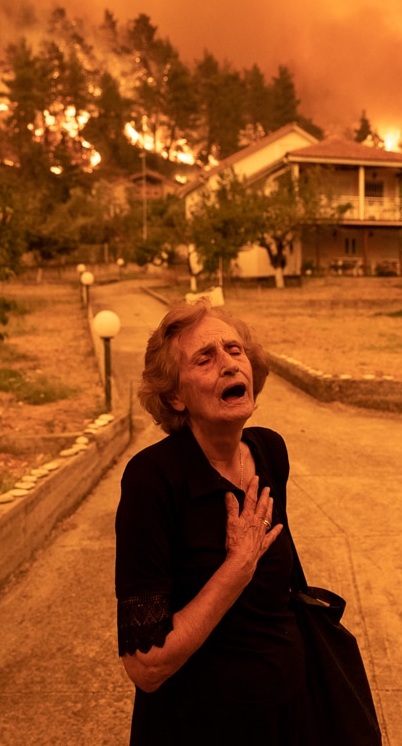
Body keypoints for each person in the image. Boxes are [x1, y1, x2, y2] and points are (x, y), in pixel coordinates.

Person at [115, 299, 315, 745]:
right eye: (205, 358)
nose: (228, 364)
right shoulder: (153, 480)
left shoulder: (269, 451)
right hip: (202, 725)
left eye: (234, 350)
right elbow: (145, 665)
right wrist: (235, 570)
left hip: (291, 712)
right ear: (175, 395)